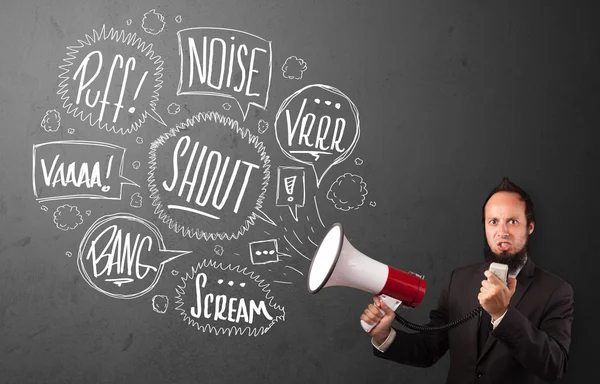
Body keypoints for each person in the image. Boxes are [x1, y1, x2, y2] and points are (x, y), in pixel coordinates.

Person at [360, 177, 574, 383]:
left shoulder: (556, 291)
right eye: (493, 221)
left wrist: (502, 315)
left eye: (513, 221)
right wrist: (384, 335)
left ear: (530, 227)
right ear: (485, 228)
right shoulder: (459, 281)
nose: (502, 231)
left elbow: (554, 365)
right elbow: (429, 350)